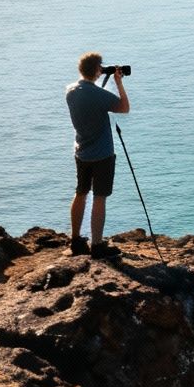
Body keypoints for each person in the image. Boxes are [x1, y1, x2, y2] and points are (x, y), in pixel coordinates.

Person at [66, 51, 129, 257]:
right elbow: (123, 107)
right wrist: (118, 82)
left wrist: (100, 79)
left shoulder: (71, 92)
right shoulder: (98, 94)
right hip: (102, 154)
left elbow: (90, 99)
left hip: (81, 152)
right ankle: (97, 245)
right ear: (96, 70)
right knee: (99, 198)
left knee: (80, 192)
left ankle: (75, 241)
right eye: (101, 67)